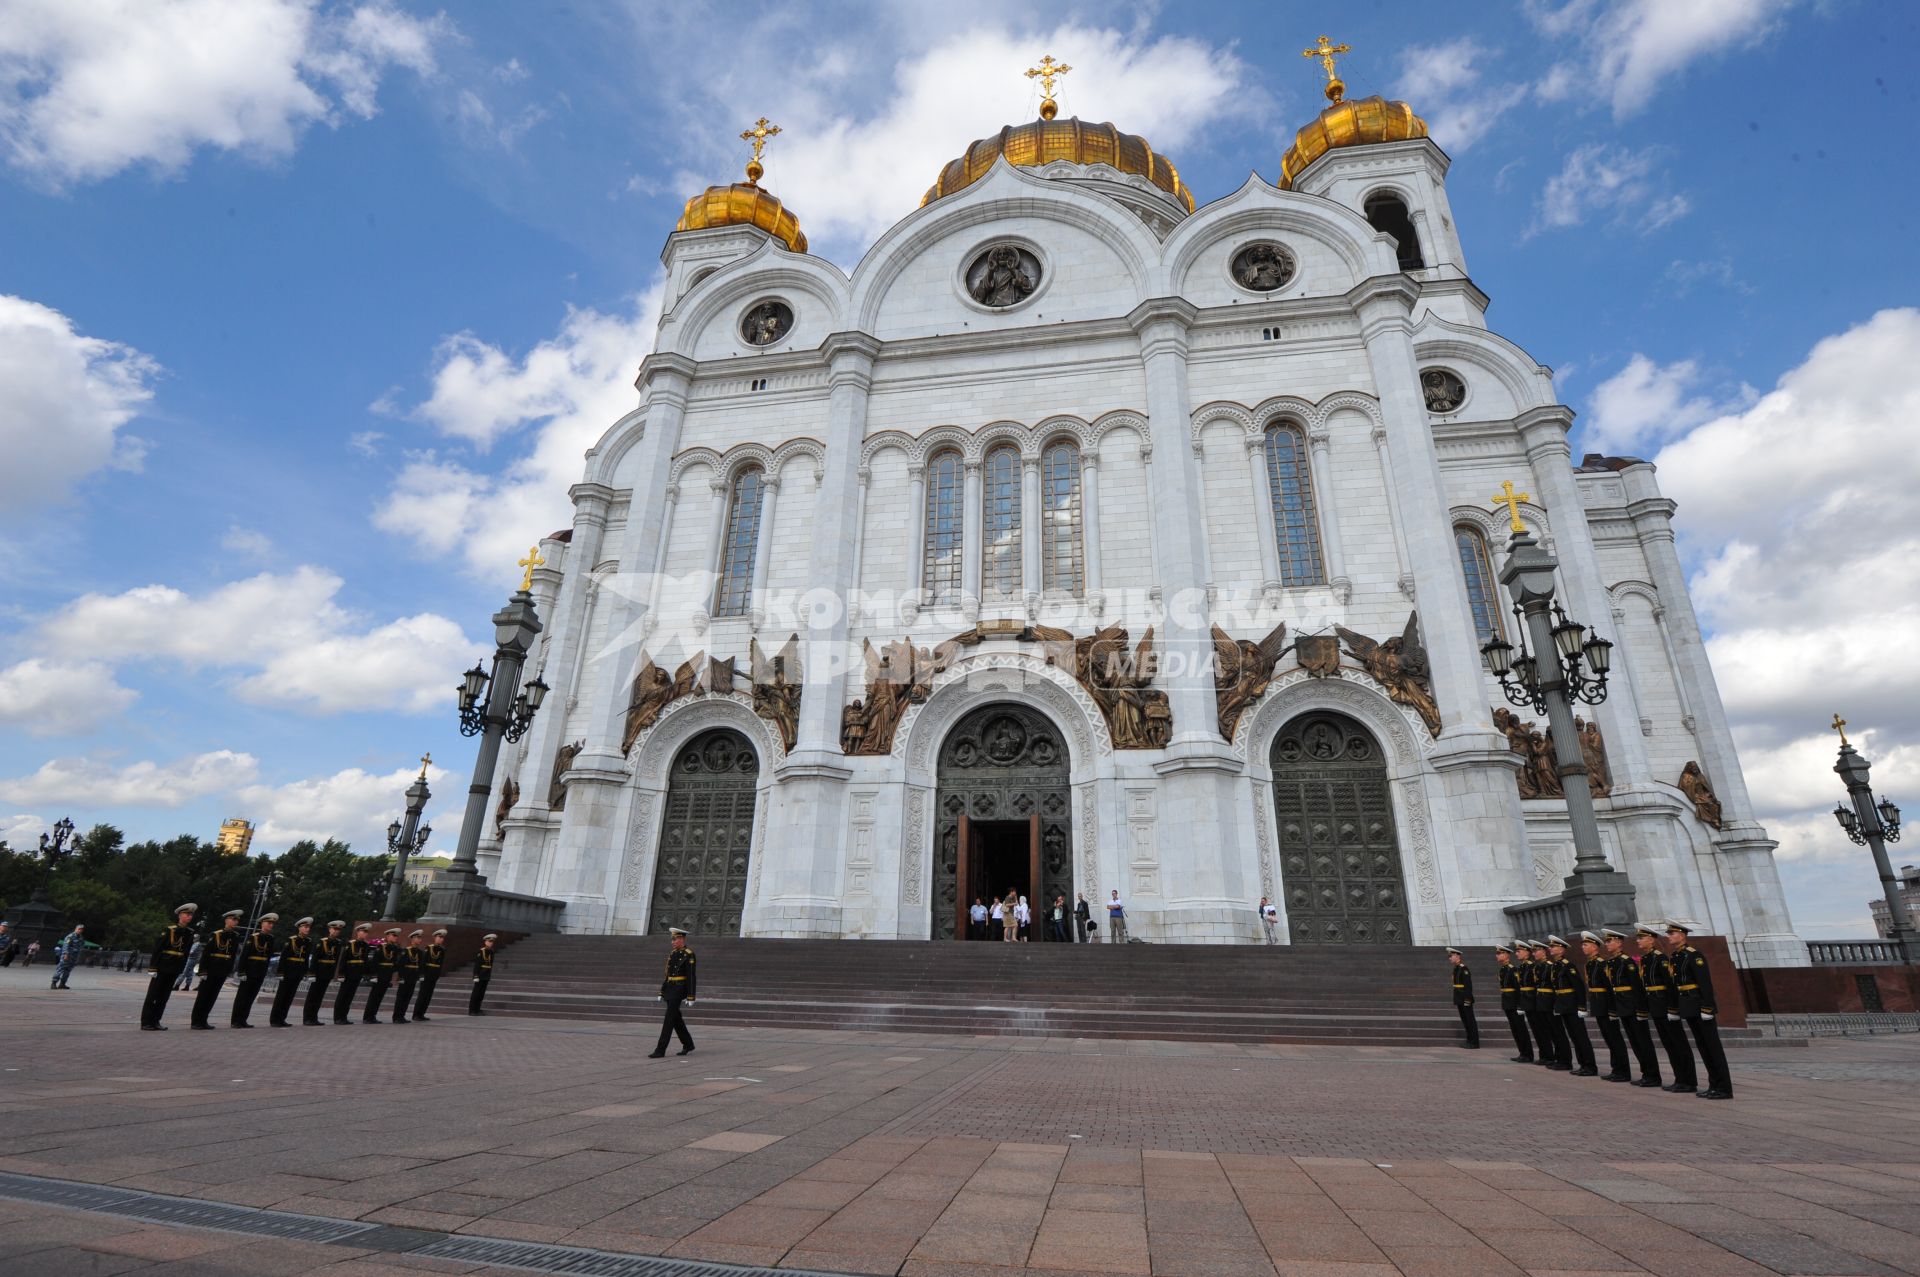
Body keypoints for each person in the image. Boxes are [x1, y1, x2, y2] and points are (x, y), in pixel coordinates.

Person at [1666, 920, 1732, 1099]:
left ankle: (1724, 1087)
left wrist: (1707, 1007)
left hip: (1700, 1006)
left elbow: (1705, 984)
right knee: (1703, 1047)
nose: (1669, 936)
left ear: (1682, 935)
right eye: (1669, 933)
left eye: (1672, 933)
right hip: (1689, 1007)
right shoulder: (1677, 956)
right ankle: (1714, 1085)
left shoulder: (1694, 955)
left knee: (1713, 1048)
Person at [1635, 924, 1697, 1093]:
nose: (1638, 940)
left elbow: (1670, 986)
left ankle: (1689, 1080)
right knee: (1669, 1045)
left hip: (1666, 1007)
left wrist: (1672, 1009)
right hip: (1656, 1007)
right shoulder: (1647, 959)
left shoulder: (1660, 959)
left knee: (1679, 1044)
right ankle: (1680, 1079)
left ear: (1651, 939)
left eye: (1641, 938)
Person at [1604, 929, 1662, 1087]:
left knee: (1643, 1042)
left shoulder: (1626, 962)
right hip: (1622, 1006)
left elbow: (1637, 987)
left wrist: (1641, 1010)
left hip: (1633, 1007)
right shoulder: (1611, 962)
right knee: (1635, 1042)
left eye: (1610, 941)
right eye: (1606, 941)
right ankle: (1646, 1074)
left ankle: (1652, 1075)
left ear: (1619, 943)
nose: (1607, 944)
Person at [1580, 931, 1631, 1082]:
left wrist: (1612, 1009)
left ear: (1595, 946)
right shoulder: (1590, 963)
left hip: (1607, 1005)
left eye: (1586, 944)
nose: (1583, 947)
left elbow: (1609, 988)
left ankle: (1623, 1071)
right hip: (1598, 1005)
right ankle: (1616, 1068)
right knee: (1609, 1038)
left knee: (1615, 1038)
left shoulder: (1602, 963)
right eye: (1582, 945)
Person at [141, 904, 198, 1030]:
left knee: (163, 997)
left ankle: (156, 1021)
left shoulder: (190, 932)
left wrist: (181, 968)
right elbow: (158, 949)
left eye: (191, 915)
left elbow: (186, 952)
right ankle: (146, 1022)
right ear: (180, 915)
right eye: (187, 914)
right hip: (162, 966)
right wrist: (153, 968)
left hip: (174, 968)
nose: (189, 916)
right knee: (153, 995)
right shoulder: (169, 930)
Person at [1546, 935, 1597, 1076]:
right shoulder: (1556, 966)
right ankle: (1582, 1064)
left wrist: (1581, 1006)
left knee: (1580, 1036)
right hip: (1563, 1005)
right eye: (1550, 946)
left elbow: (1579, 987)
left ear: (1561, 949)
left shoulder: (1568, 965)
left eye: (1554, 946)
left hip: (1572, 1005)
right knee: (1574, 1036)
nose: (1551, 949)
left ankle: (1590, 1065)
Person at [191, 910, 244, 1029]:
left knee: (212, 997)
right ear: (226, 920)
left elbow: (233, 954)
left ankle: (204, 1020)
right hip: (211, 969)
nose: (235, 922)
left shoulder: (235, 936)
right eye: (233, 919)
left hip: (222, 970)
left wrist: (230, 970)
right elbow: (206, 954)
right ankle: (196, 1021)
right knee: (203, 996)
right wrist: (203, 970)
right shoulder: (216, 935)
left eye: (237, 920)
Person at [649, 927, 697, 1057]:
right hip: (670, 988)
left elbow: (691, 976)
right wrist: (662, 991)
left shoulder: (689, 954)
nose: (672, 942)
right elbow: (668, 975)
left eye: (674, 939)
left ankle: (660, 1050)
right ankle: (688, 1044)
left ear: (681, 939)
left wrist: (691, 996)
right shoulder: (672, 953)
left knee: (669, 1019)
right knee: (676, 1019)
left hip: (679, 989)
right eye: (672, 939)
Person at [230, 913, 279, 1028]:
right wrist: (241, 971)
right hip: (249, 970)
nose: (270, 925)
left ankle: (243, 1020)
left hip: (260, 971)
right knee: (242, 997)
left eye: (272, 924)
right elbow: (244, 955)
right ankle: (236, 1020)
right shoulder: (254, 937)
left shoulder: (271, 938)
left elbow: (267, 957)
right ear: (262, 924)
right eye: (268, 923)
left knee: (251, 997)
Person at [268, 918, 314, 1028]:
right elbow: (283, 957)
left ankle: (282, 1018)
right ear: (299, 928)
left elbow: (306, 958)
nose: (307, 929)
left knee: (289, 997)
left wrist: (306, 972)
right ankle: (274, 1019)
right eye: (305, 927)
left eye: (308, 927)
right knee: (281, 996)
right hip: (288, 971)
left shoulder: (308, 941)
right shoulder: (291, 940)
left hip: (298, 972)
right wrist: (280, 973)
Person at [1494, 943, 1532, 1062]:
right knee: (1515, 1029)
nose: (1497, 956)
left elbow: (1518, 989)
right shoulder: (1503, 969)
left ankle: (1527, 1054)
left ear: (1506, 955)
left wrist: (1520, 1005)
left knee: (1520, 1029)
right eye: (1497, 953)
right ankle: (1522, 1052)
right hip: (1507, 1002)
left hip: (1515, 1003)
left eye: (1499, 953)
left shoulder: (1512, 969)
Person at [304, 921, 344, 1025]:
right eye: (334, 929)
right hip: (318, 972)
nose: (336, 931)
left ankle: (314, 1018)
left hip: (327, 973)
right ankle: (307, 1018)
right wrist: (312, 973)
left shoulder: (338, 943)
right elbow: (315, 959)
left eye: (338, 930)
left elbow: (335, 960)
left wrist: (332, 974)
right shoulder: (322, 942)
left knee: (319, 997)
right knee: (312, 996)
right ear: (330, 929)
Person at [333, 923, 372, 1024]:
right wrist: (341, 974)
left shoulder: (365, 945)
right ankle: (337, 1017)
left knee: (350, 996)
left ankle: (344, 1017)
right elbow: (343, 960)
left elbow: (365, 961)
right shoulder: (350, 944)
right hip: (348, 973)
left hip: (357, 974)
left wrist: (366, 974)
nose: (365, 934)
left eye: (366, 932)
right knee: (343, 995)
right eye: (363, 932)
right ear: (358, 932)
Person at [362, 928, 401, 1023]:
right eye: (394, 935)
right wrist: (374, 975)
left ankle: (373, 1016)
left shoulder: (395, 948)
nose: (396, 937)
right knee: (374, 996)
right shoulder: (380, 947)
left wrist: (392, 972)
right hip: (379, 975)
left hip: (387, 975)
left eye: (397, 936)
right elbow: (374, 962)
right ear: (387, 936)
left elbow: (395, 963)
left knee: (379, 997)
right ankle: (367, 1017)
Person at [392, 930, 426, 1022]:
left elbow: (420, 966)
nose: (420, 940)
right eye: (418, 938)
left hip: (413, 977)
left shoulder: (420, 952)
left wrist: (419, 976)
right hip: (405, 976)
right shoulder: (405, 951)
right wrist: (401, 977)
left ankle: (402, 1016)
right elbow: (400, 965)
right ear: (413, 939)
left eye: (420, 938)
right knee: (401, 997)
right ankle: (396, 1017)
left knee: (408, 997)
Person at [1447, 947, 1478, 1048]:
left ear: (1457, 956)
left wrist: (1468, 1000)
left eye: (1451, 956)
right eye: (1449, 956)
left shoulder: (1463, 969)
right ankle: (1469, 1040)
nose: (1449, 958)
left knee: (1470, 1020)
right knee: (1465, 1020)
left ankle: (1474, 1042)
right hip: (1459, 998)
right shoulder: (1456, 969)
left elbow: (1468, 986)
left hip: (1465, 998)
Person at [414, 929, 447, 1020]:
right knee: (422, 995)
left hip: (434, 975)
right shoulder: (429, 948)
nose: (441, 939)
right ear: (435, 937)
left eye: (442, 938)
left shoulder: (442, 950)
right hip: (427, 974)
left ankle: (422, 1013)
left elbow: (440, 964)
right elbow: (423, 962)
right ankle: (416, 1014)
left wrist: (438, 975)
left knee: (428, 995)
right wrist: (421, 975)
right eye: (439, 937)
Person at [468, 933, 497, 1014]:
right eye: (489, 941)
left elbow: (490, 965)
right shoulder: (482, 951)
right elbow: (477, 964)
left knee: (481, 994)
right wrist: (476, 975)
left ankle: (477, 1009)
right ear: (485, 942)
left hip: (486, 975)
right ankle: (472, 1010)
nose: (491, 943)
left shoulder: (491, 952)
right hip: (480, 975)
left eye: (492, 942)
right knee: (476, 993)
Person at [51, 924, 86, 989]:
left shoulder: (81, 937)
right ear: (76, 929)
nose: (80, 930)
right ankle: (54, 983)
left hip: (74, 957)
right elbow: (66, 946)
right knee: (60, 969)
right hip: (67, 955)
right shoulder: (70, 936)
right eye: (79, 929)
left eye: (82, 929)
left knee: (68, 970)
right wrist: (66, 954)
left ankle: (62, 984)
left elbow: (81, 946)